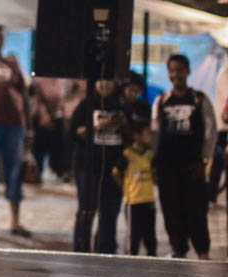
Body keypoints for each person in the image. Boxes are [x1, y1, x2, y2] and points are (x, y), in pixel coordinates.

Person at [151, 54, 216, 259]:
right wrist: (153, 164)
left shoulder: (199, 99)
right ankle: (178, 251)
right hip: (167, 167)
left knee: (196, 210)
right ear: (168, 74)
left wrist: (204, 159)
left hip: (192, 166)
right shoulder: (161, 100)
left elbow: (211, 130)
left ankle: (203, 252)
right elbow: (154, 134)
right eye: (172, 71)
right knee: (171, 210)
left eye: (179, 70)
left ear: (187, 71)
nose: (176, 74)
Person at [0, 25, 30, 238]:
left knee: (14, 171)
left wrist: (29, 127)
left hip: (13, 124)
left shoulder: (12, 63)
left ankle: (15, 221)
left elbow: (24, 95)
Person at [69, 79, 127, 254]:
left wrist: (123, 123)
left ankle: (106, 250)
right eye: (101, 81)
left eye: (109, 81)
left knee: (110, 212)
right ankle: (81, 249)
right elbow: (74, 132)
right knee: (87, 209)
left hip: (114, 168)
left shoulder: (123, 105)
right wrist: (99, 125)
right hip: (87, 167)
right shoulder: (85, 105)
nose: (104, 85)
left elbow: (134, 135)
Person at [115, 116, 158, 256]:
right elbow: (115, 172)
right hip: (133, 202)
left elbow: (154, 174)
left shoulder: (150, 155)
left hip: (149, 200)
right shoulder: (127, 155)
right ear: (136, 136)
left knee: (150, 236)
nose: (149, 136)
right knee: (133, 236)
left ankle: (152, 258)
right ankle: (131, 259)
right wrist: (124, 189)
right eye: (146, 133)